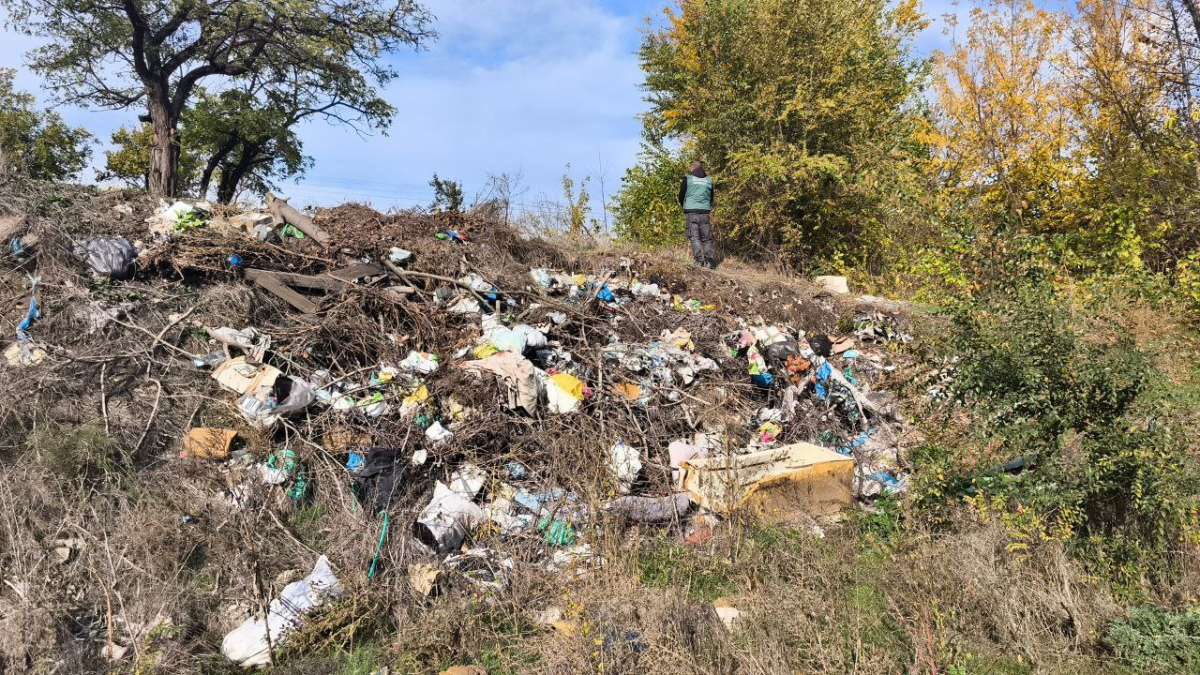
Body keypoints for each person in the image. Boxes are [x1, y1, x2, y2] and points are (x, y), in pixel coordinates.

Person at [678, 160, 714, 268]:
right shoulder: (709, 180)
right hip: (705, 212)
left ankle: (699, 261)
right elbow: (711, 197)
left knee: (694, 237)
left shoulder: (687, 179)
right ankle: (710, 262)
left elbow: (681, 195)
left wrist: (683, 205)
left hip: (691, 211)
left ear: (692, 168)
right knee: (706, 238)